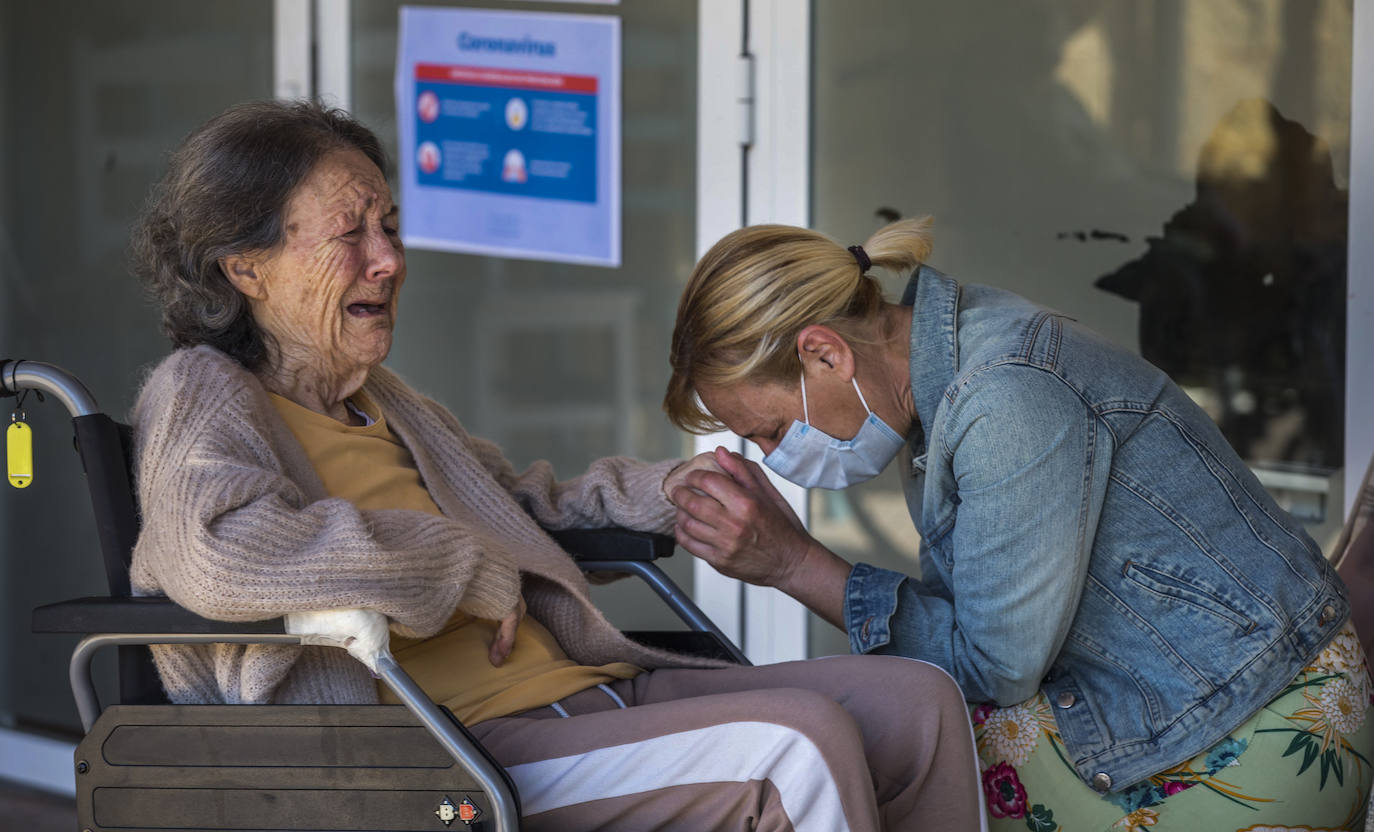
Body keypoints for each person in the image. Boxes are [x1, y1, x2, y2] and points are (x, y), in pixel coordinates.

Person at [126, 99, 984, 832]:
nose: (388, 259)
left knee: (918, 701)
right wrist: (461, 568)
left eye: (387, 226)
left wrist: (662, 492)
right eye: (349, 234)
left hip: (586, 694)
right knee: (795, 749)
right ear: (246, 268)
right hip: (448, 752)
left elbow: (521, 510)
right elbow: (220, 550)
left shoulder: (385, 401)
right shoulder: (204, 394)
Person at [663, 218, 1374, 830]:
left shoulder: (1005, 399)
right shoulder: (945, 371)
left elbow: (992, 668)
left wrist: (794, 565)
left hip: (1253, 729)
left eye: (771, 430)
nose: (774, 457)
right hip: (1191, 693)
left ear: (825, 353)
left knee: (861, 766)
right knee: (863, 738)